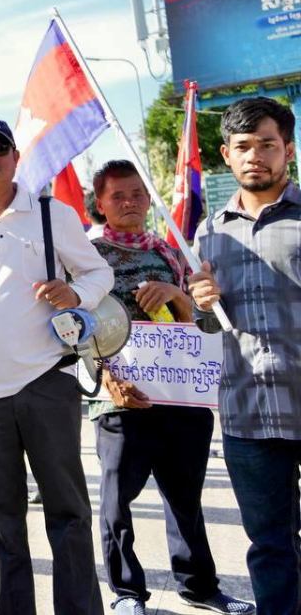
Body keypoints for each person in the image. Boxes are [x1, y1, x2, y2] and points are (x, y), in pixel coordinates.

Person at [0, 116, 114, 615]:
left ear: (15, 157)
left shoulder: (53, 214)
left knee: (68, 513)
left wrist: (76, 293)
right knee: (3, 519)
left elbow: (99, 273)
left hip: (48, 381)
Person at [89, 160, 252, 615]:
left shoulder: (172, 252)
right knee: (117, 502)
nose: (129, 202)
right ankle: (126, 592)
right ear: (100, 203)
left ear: (149, 198)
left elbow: (202, 326)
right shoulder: (87, 258)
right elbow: (77, 329)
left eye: (137, 193)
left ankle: (199, 586)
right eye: (118, 195)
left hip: (180, 397)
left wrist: (177, 294)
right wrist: (106, 378)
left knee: (185, 499)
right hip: (120, 400)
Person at [188, 97, 299, 614]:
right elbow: (207, 326)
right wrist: (201, 304)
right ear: (226, 155)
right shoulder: (207, 233)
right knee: (270, 546)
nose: (256, 155)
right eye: (244, 146)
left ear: (288, 150)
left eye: (267, 144)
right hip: (248, 417)